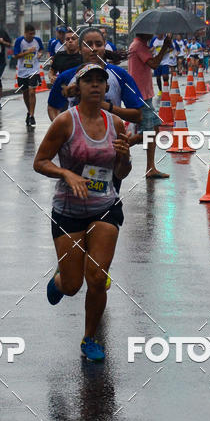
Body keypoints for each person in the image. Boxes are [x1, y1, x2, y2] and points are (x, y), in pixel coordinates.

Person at [33, 62, 132, 361]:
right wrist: (67, 174)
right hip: (68, 210)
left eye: (101, 81)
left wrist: (124, 158)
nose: (96, 85)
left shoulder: (115, 123)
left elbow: (122, 172)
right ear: (79, 87)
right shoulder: (65, 122)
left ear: (106, 88)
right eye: (89, 80)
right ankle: (60, 280)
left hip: (105, 207)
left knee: (98, 276)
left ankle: (90, 338)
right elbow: (40, 162)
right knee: (74, 285)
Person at [47, 27, 143, 128]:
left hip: (110, 141)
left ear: (104, 46)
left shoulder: (120, 75)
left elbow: (138, 115)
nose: (94, 48)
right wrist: (62, 130)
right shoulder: (66, 76)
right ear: (79, 49)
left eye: (98, 44)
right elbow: (53, 107)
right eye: (88, 45)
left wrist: (105, 106)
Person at [127, 31, 173, 179]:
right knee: (148, 133)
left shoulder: (142, 46)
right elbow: (154, 64)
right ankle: (120, 147)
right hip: (140, 96)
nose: (153, 34)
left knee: (154, 129)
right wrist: (164, 47)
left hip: (145, 95)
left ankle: (150, 167)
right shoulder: (138, 46)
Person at [14, 24, 44, 127]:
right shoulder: (19, 41)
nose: (32, 36)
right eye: (30, 34)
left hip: (34, 70)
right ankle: (29, 111)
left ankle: (32, 115)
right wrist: (28, 52)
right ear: (25, 33)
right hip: (22, 71)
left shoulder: (37, 40)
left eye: (33, 34)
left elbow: (41, 49)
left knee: (32, 92)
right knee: (25, 94)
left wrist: (40, 54)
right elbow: (16, 55)